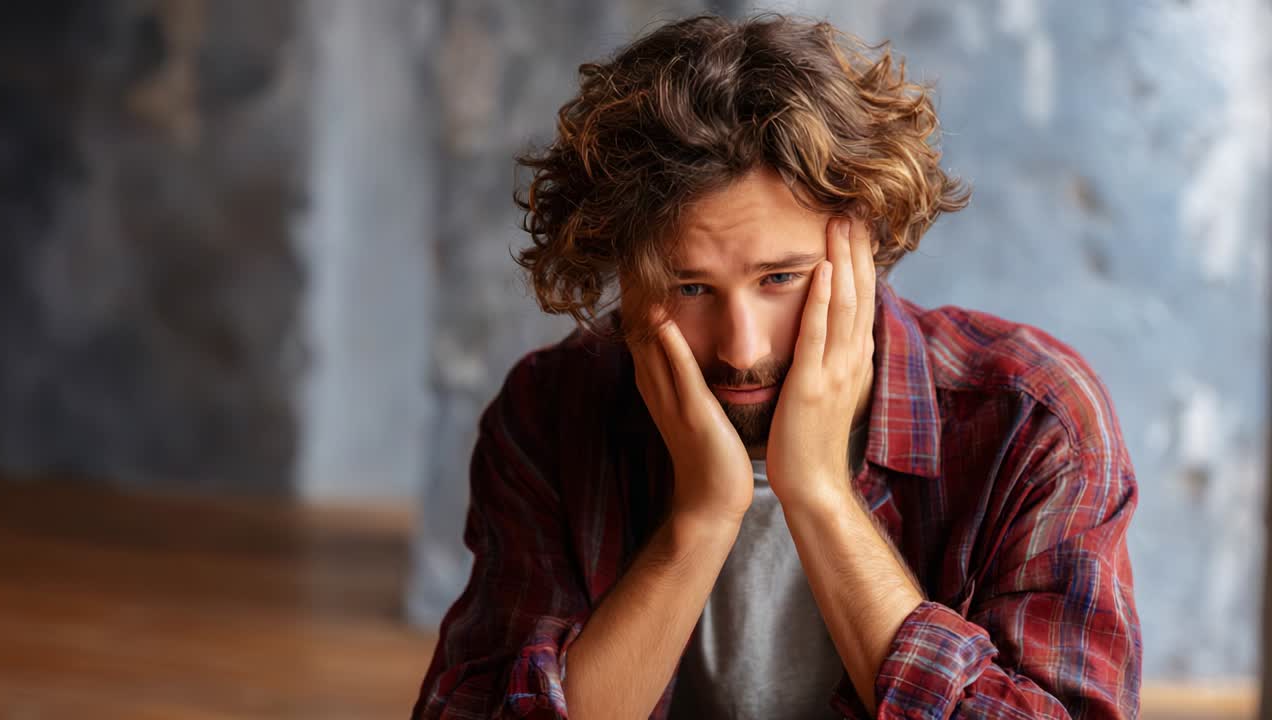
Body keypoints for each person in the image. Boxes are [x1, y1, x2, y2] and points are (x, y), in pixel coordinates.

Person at [414, 13, 1140, 720]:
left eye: (781, 279)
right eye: (690, 287)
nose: (742, 347)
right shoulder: (550, 411)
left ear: (866, 240)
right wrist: (698, 521)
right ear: (626, 276)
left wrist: (821, 497)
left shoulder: (1032, 419)